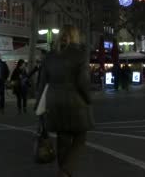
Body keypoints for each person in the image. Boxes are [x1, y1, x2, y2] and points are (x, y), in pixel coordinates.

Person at [37, 25, 94, 177]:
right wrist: (88, 98)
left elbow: (41, 83)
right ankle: (66, 171)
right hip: (75, 101)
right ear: (75, 36)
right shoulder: (79, 54)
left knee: (63, 137)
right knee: (80, 137)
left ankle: (64, 171)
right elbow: (83, 82)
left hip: (54, 102)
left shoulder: (49, 56)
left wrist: (38, 106)